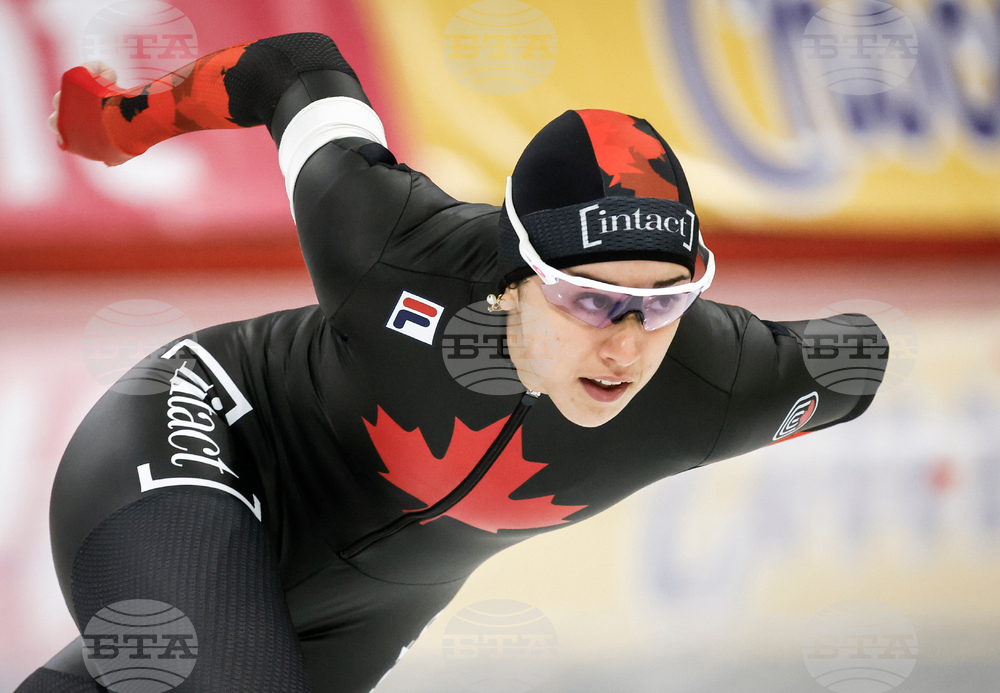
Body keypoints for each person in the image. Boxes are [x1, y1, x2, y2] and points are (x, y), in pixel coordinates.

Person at [19, 32, 886, 693]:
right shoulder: (393, 242)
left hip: (360, 611)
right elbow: (292, 66)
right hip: (199, 437)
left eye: (662, 301)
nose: (626, 344)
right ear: (514, 278)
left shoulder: (717, 379)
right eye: (588, 298)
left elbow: (856, 355)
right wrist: (119, 121)